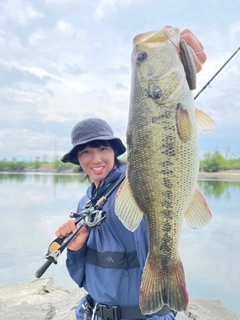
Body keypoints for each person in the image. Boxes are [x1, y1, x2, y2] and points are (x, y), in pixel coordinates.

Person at [56, 29, 207, 320]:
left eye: (101, 148)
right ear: (77, 160)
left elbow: (162, 152)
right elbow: (81, 276)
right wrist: (75, 249)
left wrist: (186, 64)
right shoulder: (84, 203)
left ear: (115, 151)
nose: (95, 159)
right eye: (85, 152)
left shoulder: (134, 182)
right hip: (92, 314)